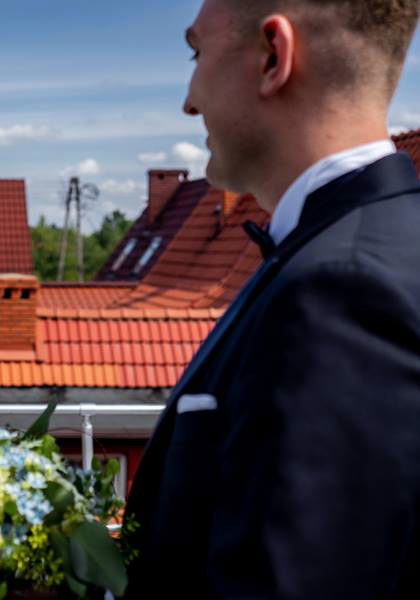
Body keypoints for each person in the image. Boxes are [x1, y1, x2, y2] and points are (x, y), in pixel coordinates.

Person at [124, 0, 420, 598]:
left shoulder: (341, 290)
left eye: (196, 53)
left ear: (272, 57)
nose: (188, 101)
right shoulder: (350, 248)